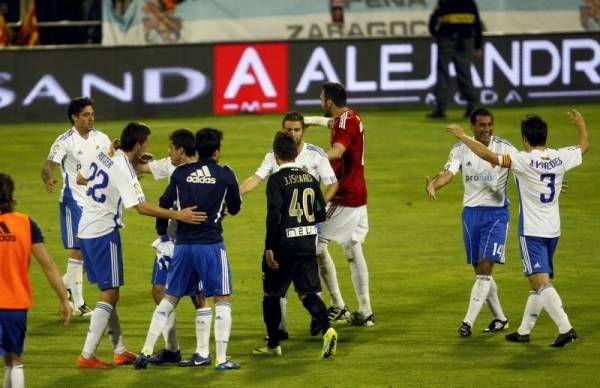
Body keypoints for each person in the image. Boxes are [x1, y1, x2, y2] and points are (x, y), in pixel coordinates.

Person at [446, 109, 589, 347]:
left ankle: (565, 328)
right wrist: (581, 124)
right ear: (545, 137)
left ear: (525, 139)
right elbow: (583, 146)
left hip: (532, 231)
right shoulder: (560, 157)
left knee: (540, 282)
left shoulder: (523, 160)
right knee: (536, 283)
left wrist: (463, 136)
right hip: (554, 230)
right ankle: (524, 330)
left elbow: (490, 156)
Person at [75, 122, 205, 369]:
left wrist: (119, 155)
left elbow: (81, 178)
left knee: (109, 291)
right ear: (137, 145)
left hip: (86, 229)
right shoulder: (123, 166)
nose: (149, 147)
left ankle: (120, 350)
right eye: (146, 143)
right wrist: (178, 215)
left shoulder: (106, 155)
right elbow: (141, 207)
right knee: (110, 293)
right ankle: (87, 355)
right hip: (103, 232)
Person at [134, 127, 242, 371]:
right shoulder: (225, 173)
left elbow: (164, 203)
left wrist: (162, 232)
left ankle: (146, 350)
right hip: (211, 245)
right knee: (221, 298)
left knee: (170, 297)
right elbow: (234, 207)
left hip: (182, 246)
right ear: (217, 150)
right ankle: (221, 359)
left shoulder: (181, 173)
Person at [240, 111, 339, 340]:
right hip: (304, 231)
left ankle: (277, 337)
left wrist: (312, 215)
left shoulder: (315, 154)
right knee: (304, 282)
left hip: (292, 232)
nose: (292, 133)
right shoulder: (273, 155)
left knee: (277, 284)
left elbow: (332, 184)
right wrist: (237, 192)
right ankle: (298, 326)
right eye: (288, 130)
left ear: (303, 130)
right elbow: (255, 178)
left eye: (296, 129)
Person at [426, 108, 515, 337]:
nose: (487, 129)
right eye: (482, 125)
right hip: (470, 216)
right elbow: (449, 172)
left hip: (496, 215)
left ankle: (467, 322)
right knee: (480, 272)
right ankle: (500, 318)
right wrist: (434, 185)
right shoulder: (459, 149)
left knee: (485, 270)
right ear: (473, 127)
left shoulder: (504, 147)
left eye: (489, 125)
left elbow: (525, 167)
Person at [135, 129, 208, 366]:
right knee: (159, 290)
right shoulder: (170, 165)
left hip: (193, 240)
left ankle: (203, 352)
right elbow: (140, 168)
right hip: (169, 240)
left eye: (171, 147)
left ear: (181, 150)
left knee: (198, 296)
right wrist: (129, 153)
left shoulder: (203, 172)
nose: (168, 151)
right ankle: (172, 349)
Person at [308, 81, 374, 326]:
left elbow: (336, 151)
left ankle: (337, 305)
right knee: (353, 248)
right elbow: (331, 123)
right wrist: (309, 120)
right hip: (359, 194)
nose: (320, 101)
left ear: (329, 102)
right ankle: (365, 310)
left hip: (344, 195)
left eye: (321, 98)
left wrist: (309, 159)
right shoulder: (351, 117)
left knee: (314, 245)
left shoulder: (344, 123)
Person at [41, 97, 112, 317]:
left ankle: (67, 283)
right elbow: (48, 164)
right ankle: (79, 303)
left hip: (96, 201)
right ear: (75, 117)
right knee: (81, 247)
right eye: (86, 115)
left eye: (92, 114)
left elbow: (112, 162)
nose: (91, 118)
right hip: (74, 200)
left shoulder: (101, 138)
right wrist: (48, 178)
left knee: (85, 249)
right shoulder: (65, 141)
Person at [0, 172, 71, 388]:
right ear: (11, 194)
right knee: (14, 360)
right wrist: (64, 299)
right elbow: (48, 264)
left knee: (9, 362)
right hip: (14, 304)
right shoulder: (26, 223)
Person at [427, 0, 482, 119]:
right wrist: (477, 46)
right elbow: (477, 24)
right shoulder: (470, 3)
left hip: (447, 38)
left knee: (443, 73)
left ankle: (440, 109)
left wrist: (436, 33)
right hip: (466, 39)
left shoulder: (444, 2)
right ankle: (472, 107)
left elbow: (433, 20)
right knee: (465, 72)